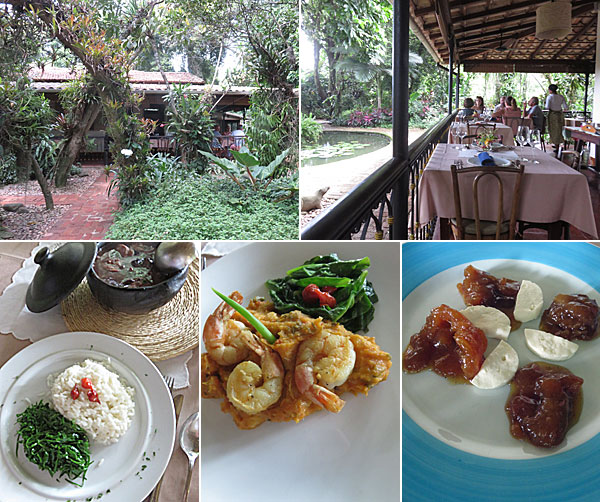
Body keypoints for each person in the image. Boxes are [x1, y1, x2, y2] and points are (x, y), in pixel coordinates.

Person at [545, 84, 568, 149]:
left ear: (550, 90)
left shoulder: (550, 97)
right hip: (560, 115)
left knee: (553, 130)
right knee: (559, 130)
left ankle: (556, 144)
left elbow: (547, 107)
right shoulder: (561, 96)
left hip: (552, 115)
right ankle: (557, 144)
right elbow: (566, 107)